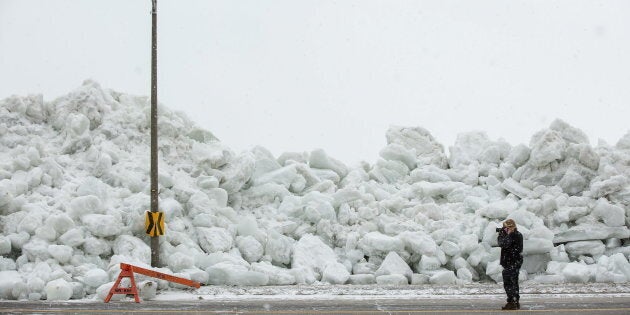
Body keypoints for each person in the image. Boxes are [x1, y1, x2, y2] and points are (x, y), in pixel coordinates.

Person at [497, 219, 523, 310]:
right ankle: (514, 301)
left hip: (514, 262)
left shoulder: (517, 235)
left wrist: (508, 234)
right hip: (507, 262)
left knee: (512, 282)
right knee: (509, 282)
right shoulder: (506, 235)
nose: (506, 229)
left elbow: (506, 244)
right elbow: (500, 243)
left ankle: (513, 301)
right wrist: (502, 234)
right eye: (505, 228)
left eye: (508, 228)